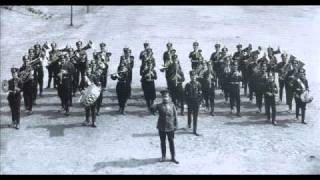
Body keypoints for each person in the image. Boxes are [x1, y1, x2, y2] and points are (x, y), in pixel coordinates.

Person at [151, 90, 179, 164]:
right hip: (161, 127)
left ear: (169, 97)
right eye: (164, 96)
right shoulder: (159, 105)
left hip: (170, 126)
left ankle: (173, 157)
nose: (165, 98)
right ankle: (163, 156)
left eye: (166, 96)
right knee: (162, 142)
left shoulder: (172, 105)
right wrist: (153, 105)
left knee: (171, 142)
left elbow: (175, 116)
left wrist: (176, 125)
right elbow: (152, 111)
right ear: (162, 97)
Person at [185, 71, 202, 136]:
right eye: (192, 76)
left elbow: (200, 94)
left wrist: (200, 102)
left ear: (196, 76)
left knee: (195, 116)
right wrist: (186, 102)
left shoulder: (198, 84)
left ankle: (195, 130)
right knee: (189, 114)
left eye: (194, 76)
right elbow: (185, 95)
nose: (193, 77)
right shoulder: (188, 85)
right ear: (190, 77)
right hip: (190, 102)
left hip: (196, 102)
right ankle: (189, 124)